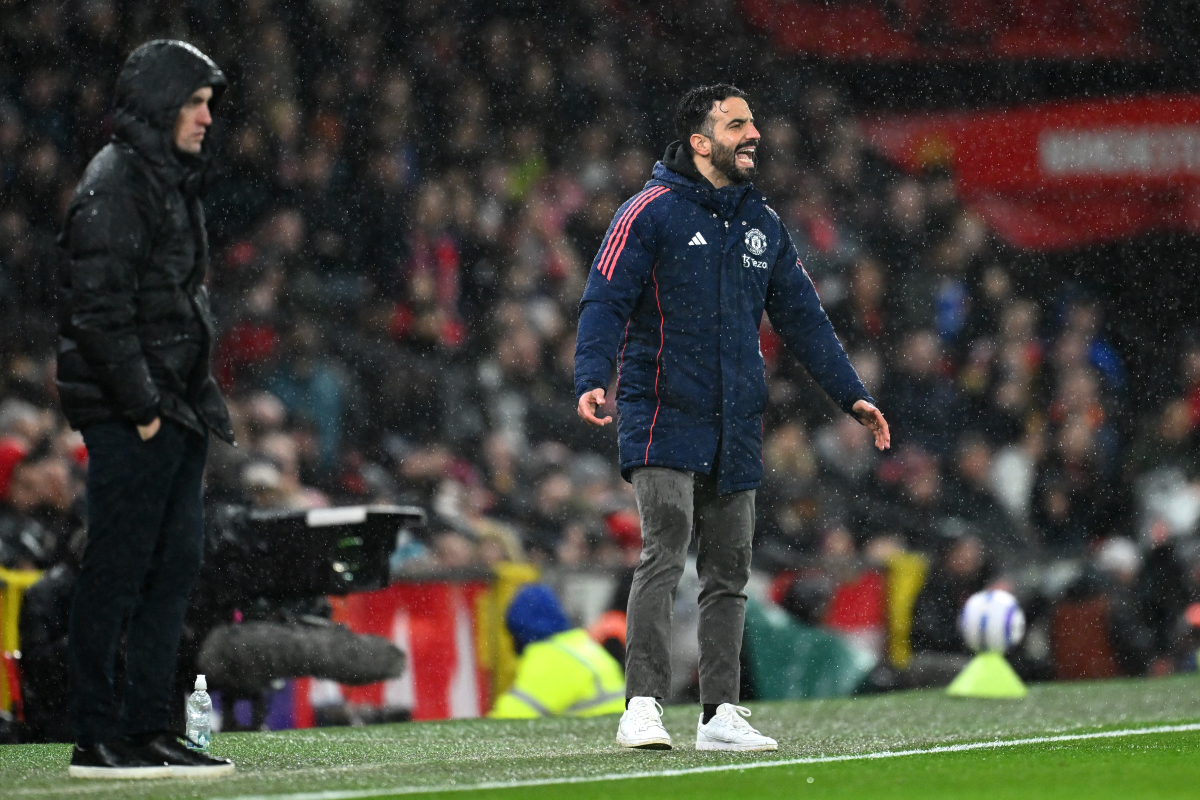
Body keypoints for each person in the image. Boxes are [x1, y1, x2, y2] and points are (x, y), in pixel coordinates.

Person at [574, 85, 890, 752]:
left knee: (730, 573)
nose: (754, 135)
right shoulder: (649, 213)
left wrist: (851, 395)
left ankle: (720, 713)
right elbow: (604, 298)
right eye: (738, 124)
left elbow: (803, 318)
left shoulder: (762, 223)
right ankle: (642, 706)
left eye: (754, 124)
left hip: (736, 421)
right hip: (660, 410)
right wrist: (589, 378)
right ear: (699, 140)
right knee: (665, 552)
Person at [56, 40, 237, 778]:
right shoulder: (118, 180)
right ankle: (96, 736)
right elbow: (97, 311)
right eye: (195, 102)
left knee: (170, 573)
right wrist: (142, 409)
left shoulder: (164, 180)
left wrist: (183, 405)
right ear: (163, 103)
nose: (206, 118)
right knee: (118, 572)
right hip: (139, 413)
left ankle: (147, 729)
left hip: (175, 410)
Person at [488, 584, 626, 719]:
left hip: (597, 736)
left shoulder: (548, 657)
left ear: (518, 631)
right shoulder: (580, 643)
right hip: (616, 731)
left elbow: (511, 718)